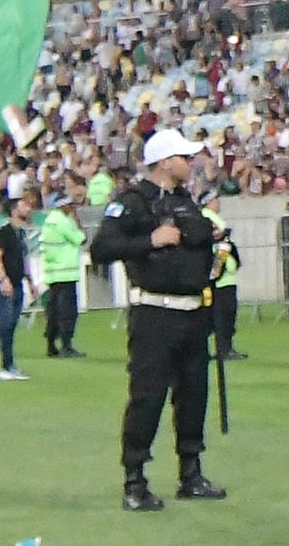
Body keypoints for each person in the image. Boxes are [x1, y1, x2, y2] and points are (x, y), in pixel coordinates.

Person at [91, 127, 226, 511]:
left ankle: (191, 472)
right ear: (166, 162)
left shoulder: (185, 200)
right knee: (147, 398)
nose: (191, 163)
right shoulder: (133, 202)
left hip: (192, 314)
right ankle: (134, 480)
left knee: (193, 396)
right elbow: (101, 248)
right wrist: (149, 241)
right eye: (184, 158)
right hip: (154, 314)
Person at [38, 189, 85, 358]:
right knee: (67, 312)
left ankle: (51, 345)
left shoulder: (48, 221)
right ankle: (66, 346)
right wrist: (76, 221)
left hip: (53, 274)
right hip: (66, 273)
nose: (72, 208)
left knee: (53, 311)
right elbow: (81, 238)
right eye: (70, 205)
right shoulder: (64, 222)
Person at [202, 194, 244, 363]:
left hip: (226, 279)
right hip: (219, 282)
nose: (218, 203)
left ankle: (225, 348)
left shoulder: (212, 217)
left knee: (224, 316)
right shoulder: (206, 216)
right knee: (221, 316)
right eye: (215, 200)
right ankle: (223, 349)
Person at [0, 189, 28, 380]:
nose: (28, 208)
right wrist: (3, 279)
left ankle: (8, 366)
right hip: (6, 285)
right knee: (5, 325)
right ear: (14, 210)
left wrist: (30, 280)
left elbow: (24, 259)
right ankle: (7, 366)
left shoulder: (21, 233)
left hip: (18, 284)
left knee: (11, 327)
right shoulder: (4, 233)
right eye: (24, 205)